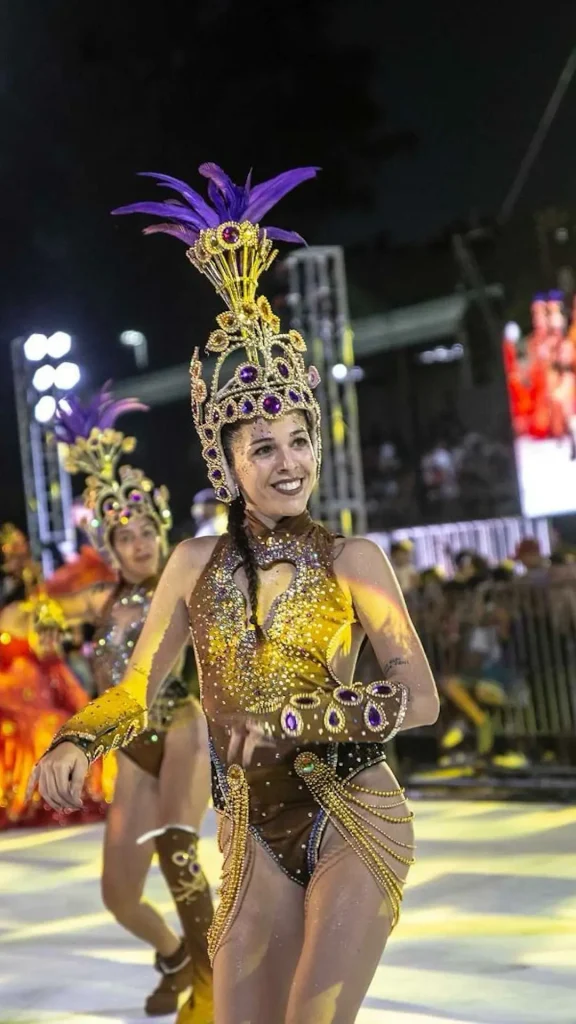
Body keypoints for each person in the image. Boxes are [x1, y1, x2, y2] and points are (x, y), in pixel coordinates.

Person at [32, 161, 439, 1024]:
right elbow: (139, 689)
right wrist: (78, 739)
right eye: (264, 446)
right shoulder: (191, 564)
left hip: (351, 813)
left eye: (299, 439)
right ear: (224, 461)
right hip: (252, 831)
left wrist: (297, 720)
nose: (288, 461)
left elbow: (420, 696)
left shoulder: (354, 560)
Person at [40, 387, 213, 1024]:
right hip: (131, 746)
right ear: (109, 547)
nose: (140, 544)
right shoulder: (100, 602)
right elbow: (31, 615)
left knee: (178, 848)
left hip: (185, 728)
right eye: (126, 535)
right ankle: (173, 955)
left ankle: (211, 983)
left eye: (148, 531)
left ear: (163, 532)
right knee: (118, 895)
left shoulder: (188, 583)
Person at [0, 590, 106, 827]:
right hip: (9, 694)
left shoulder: (31, 611)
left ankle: (54, 796)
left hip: (32, 692)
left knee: (56, 724)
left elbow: (51, 658)